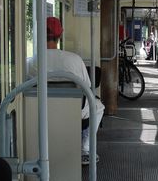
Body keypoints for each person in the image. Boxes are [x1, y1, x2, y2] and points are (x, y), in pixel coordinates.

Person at [27, 17, 105, 165]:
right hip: (73, 109)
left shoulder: (31, 62)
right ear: (60, 36)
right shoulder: (74, 60)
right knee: (99, 107)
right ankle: (84, 149)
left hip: (40, 109)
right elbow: (87, 86)